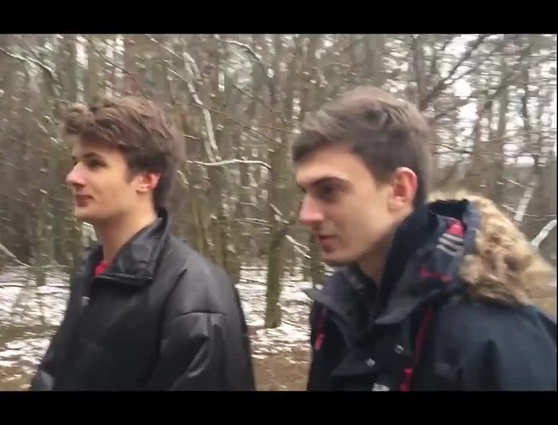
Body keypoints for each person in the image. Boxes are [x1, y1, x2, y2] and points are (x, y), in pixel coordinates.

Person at [293, 86, 557, 391]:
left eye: (329, 190)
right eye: (306, 193)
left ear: (400, 190)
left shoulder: (501, 340)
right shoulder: (336, 313)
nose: (306, 215)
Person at [30, 95, 255, 391]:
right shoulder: (92, 273)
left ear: (147, 179)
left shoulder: (197, 296)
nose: (73, 177)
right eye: (75, 162)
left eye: (94, 163)